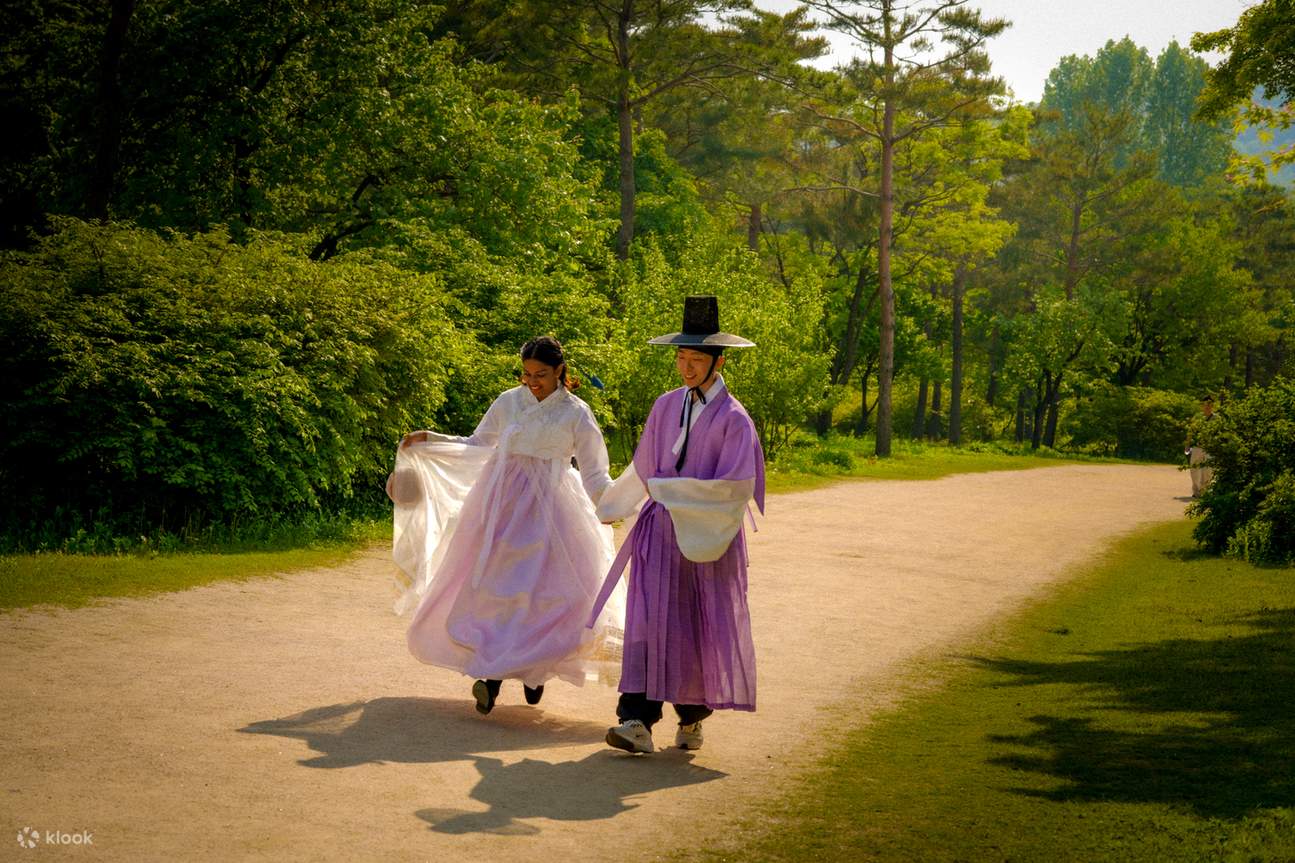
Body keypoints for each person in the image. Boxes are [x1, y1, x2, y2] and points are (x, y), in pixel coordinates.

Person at [388, 337, 625, 714]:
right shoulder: (507, 400)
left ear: (561, 371)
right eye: (527, 374)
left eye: (541, 375)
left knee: (549, 595)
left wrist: (613, 502)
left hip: (554, 510)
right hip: (501, 506)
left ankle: (535, 674)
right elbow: (478, 443)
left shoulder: (577, 414)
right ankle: (492, 680)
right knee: (498, 592)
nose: (532, 382)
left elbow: (596, 473)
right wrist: (432, 440)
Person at [588, 295, 765, 754]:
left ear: (718, 361)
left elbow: (734, 487)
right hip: (660, 533)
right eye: (682, 358)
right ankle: (636, 720)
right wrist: (609, 507)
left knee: (695, 623)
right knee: (648, 619)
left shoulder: (735, 420)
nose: (686, 368)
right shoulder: (666, 406)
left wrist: (674, 492)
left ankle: (692, 718)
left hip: (710, 537)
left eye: (697, 359)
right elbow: (644, 467)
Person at [1185, 395, 1215, 498]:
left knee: (1208, 471)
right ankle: (1196, 491)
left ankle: (1205, 491)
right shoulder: (1197, 417)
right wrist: (1187, 446)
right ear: (1202, 405)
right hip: (1197, 447)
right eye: (1205, 404)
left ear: (1212, 406)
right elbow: (1190, 432)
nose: (1207, 406)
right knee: (1194, 469)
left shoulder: (1216, 418)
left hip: (1210, 448)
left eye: (1209, 404)